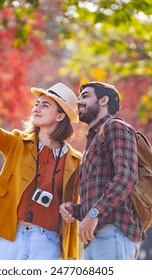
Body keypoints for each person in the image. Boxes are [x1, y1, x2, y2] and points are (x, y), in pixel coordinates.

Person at [0, 72, 82, 260]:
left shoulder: (75, 161)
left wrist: (73, 210)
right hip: (7, 239)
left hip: (47, 242)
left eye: (45, 105)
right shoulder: (16, 144)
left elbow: (85, 199)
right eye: (36, 104)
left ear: (60, 116)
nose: (37, 108)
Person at [59, 81, 143, 260]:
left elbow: (126, 176)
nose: (79, 102)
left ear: (103, 100)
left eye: (85, 96)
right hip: (94, 238)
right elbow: (100, 196)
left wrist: (93, 213)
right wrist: (75, 210)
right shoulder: (92, 141)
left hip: (113, 233)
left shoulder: (115, 127)